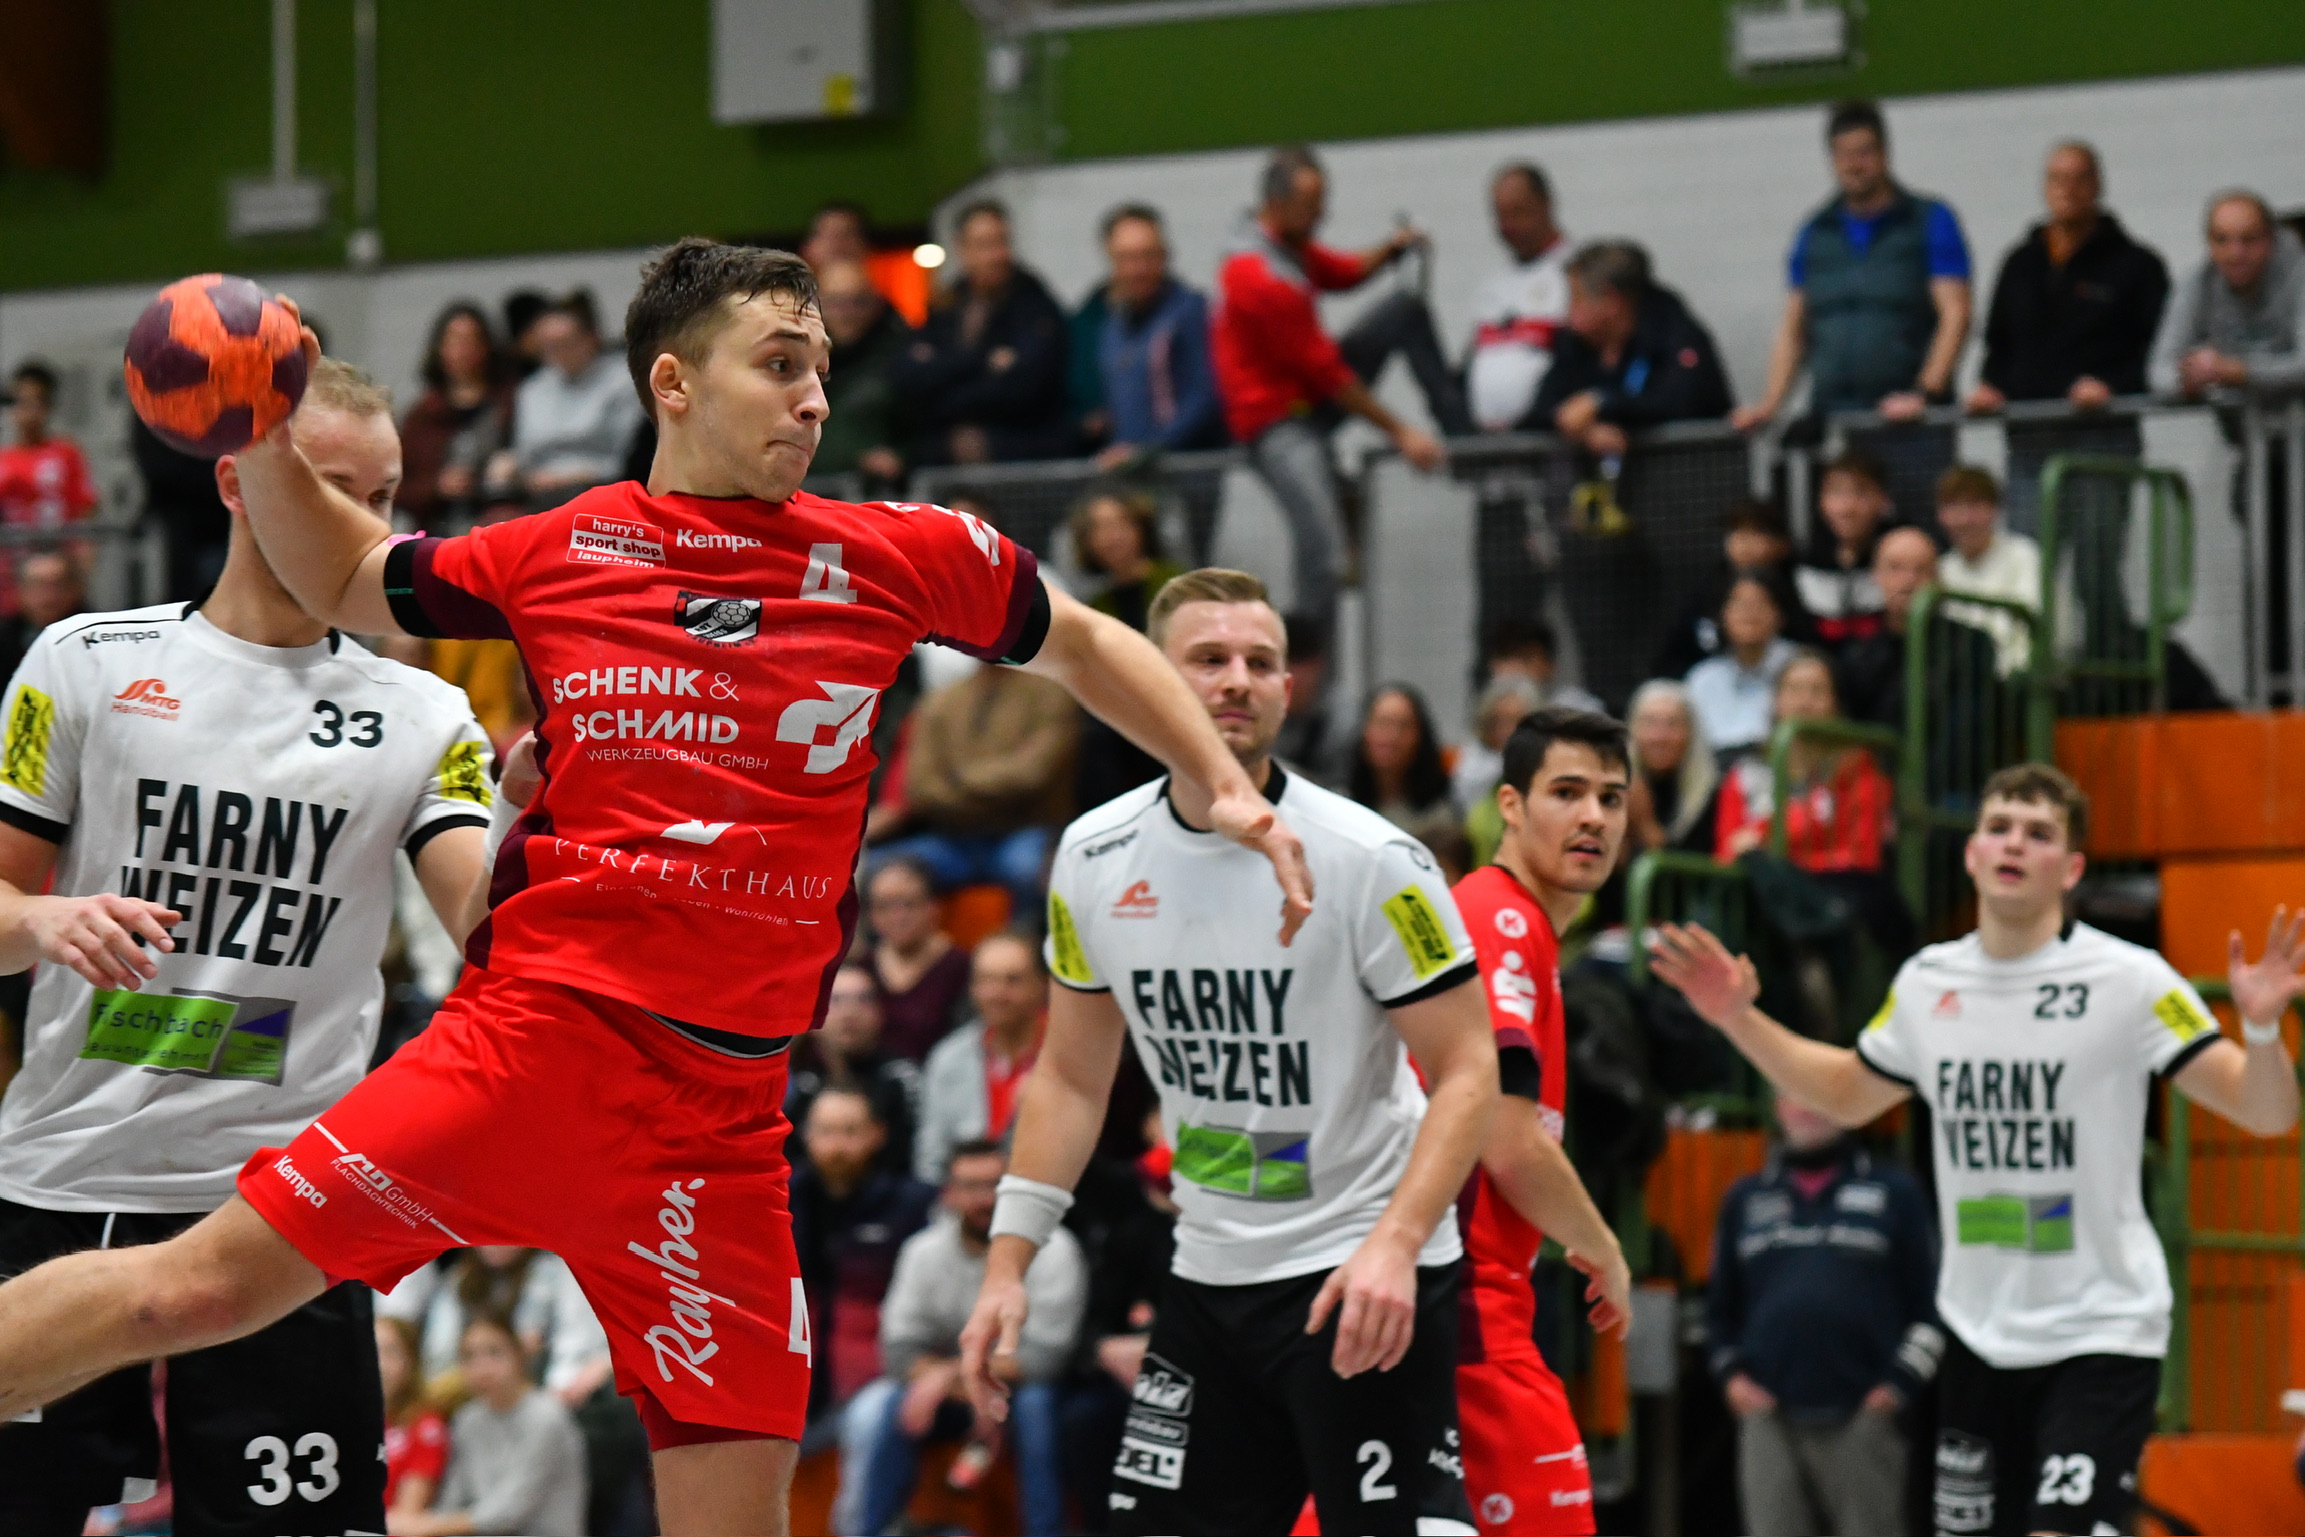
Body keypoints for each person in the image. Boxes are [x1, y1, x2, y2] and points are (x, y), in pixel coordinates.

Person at [0, 240, 1315, 1537]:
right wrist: (269, 427)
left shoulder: (899, 555)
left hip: (717, 1130)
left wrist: (1224, 781)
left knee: (735, 1508)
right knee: (191, 1295)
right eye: (781, 364)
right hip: (527, 1057)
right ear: (674, 383)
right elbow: (348, 572)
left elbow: (1082, 640)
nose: (812, 397)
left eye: (822, 369)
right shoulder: (567, 548)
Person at [0, 360, 495, 1536]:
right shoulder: (84, 661)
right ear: (237, 480)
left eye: (382, 499)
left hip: (285, 1215)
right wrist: (41, 919)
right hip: (67, 1180)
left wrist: (556, 826)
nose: (361, 528)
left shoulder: (424, 713)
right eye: (329, 489)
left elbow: (489, 927)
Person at [959, 567, 1499, 1535]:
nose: (1237, 680)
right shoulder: (1090, 857)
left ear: (1291, 688)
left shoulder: (1372, 860)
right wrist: (1008, 1265)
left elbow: (1469, 1073)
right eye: (1206, 660)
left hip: (1358, 1268)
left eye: (1261, 662)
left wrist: (1396, 1245)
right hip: (1208, 1274)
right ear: (1149, 680)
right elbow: (1072, 1080)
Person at [1650, 763, 2303, 1537]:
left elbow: (2263, 1112)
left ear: (2071, 867)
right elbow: (1844, 1091)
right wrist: (1735, 1017)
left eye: (2037, 833)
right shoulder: (1929, 982)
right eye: (1997, 827)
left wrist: (2260, 1030)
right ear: (1970, 854)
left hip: (2099, 1327)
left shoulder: (2128, 980)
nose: (2012, 844)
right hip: (1977, 1332)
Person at [1450, 708, 1638, 1534]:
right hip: (1463, 1311)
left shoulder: (1508, 920)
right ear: (1510, 806)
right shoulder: (1500, 919)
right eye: (1567, 791)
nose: (1594, 815)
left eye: (1612, 797)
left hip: (1453, 1306)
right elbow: (1506, 1135)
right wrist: (1600, 1244)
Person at [1212, 144, 1459, 632]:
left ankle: (1461, 424)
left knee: (1405, 311)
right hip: (1278, 423)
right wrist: (1401, 432)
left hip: (1308, 398)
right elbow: (1329, 373)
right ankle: (1304, 669)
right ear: (1279, 202)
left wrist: (1393, 249)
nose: (1323, 215)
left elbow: (1339, 272)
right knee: (1323, 550)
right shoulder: (1259, 276)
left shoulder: (1286, 244)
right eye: (1313, 204)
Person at [1707, 1092, 1940, 1537]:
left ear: (1849, 1108)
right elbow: (1719, 1313)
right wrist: (1733, 1382)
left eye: (1819, 1094)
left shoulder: (1897, 1193)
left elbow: (1932, 1309)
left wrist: (1897, 1387)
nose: (1807, 1108)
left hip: (1864, 1415)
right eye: (1794, 1095)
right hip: (1769, 1415)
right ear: (1776, 1107)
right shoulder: (1745, 1198)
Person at [1736, 99, 1972, 524]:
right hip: (1838, 424)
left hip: (1908, 427)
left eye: (1864, 152)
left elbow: (1955, 313)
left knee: (1915, 537)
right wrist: (1771, 403)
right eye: (1843, 154)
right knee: (1844, 546)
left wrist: (1926, 393)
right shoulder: (1815, 231)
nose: (1854, 165)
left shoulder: (1928, 219)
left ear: (1884, 153)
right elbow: (1793, 327)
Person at [857, 1139, 1085, 1537]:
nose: (985, 1199)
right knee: (884, 1404)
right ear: (948, 1192)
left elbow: (1048, 1358)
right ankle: (872, 1530)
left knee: (1037, 1406)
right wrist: (957, 1382)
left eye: (995, 1185)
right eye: (970, 1186)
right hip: (951, 1391)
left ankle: (1046, 1531)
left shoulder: (1056, 1249)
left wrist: (951, 1376)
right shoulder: (922, 1251)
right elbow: (898, 1348)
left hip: (1021, 1390)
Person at [1966, 142, 2169, 537]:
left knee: (2095, 576)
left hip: (2102, 441)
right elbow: (1999, 343)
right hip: (2029, 444)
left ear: (2097, 185)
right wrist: (1993, 387)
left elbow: (2157, 352)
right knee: (2030, 566)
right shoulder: (2020, 264)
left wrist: (2114, 387)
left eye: (2079, 179)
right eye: (2058, 179)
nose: (2068, 189)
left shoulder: (2136, 266)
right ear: (2044, 187)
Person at [2150, 191, 2305, 694]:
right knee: (2268, 580)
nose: (2235, 253)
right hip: (2260, 460)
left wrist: (2238, 371)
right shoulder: (2201, 283)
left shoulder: (2298, 272)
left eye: (2248, 240)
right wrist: (2192, 378)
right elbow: (2159, 372)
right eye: (2222, 240)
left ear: (2272, 239)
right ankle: (2276, 694)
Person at [879, 658, 1080, 920]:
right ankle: (902, 960)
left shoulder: (1050, 692)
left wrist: (958, 781)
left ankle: (1021, 954)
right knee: (882, 869)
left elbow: (1033, 774)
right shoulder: (942, 700)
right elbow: (920, 786)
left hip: (1026, 827)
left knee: (1025, 870)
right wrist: (990, 785)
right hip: (954, 836)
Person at [789, 1086, 936, 1441]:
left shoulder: (913, 1205)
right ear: (806, 1135)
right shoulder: (781, 1198)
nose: (837, 1146)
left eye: (850, 1132)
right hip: (790, 1369)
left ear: (878, 1134)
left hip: (879, 1373)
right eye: (825, 1131)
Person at [891, 200, 1074, 465]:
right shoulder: (948, 304)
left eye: (1001, 242)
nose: (996, 255)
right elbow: (908, 378)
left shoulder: (1034, 304)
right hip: (945, 460)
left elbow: (1025, 388)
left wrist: (942, 389)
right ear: (962, 248)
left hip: (1021, 458)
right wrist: (981, 362)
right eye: (984, 245)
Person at [395, 1311, 589, 1537]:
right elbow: (453, 1499)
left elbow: (510, 1510)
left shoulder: (547, 1417)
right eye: (469, 1357)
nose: (482, 1367)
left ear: (519, 1356)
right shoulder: (468, 1419)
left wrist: (425, 1526)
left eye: (494, 1353)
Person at [1527, 240, 1733, 450]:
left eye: (1576, 298)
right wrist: (1581, 430)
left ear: (1611, 300)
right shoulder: (1575, 343)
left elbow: (1684, 400)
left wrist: (1604, 403)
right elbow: (1540, 409)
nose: (1568, 313)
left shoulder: (1675, 333)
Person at [1715, 649, 1890, 873]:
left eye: (1817, 691)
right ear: (1776, 701)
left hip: (1830, 892)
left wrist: (1764, 836)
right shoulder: (1746, 774)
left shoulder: (1857, 766)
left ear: (1834, 703)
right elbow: (1728, 853)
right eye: (1794, 690)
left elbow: (1861, 854)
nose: (1805, 702)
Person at [1092, 205, 1225, 469]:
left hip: (1184, 470)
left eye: (1148, 256)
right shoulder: (1112, 328)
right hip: (1132, 478)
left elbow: (1205, 394)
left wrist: (1153, 448)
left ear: (1164, 256)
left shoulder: (1189, 313)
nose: (1139, 269)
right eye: (1127, 258)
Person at [1834, 524, 2000, 735]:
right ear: (1876, 575)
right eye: (1896, 568)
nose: (1909, 581)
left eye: (1921, 570)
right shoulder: (1856, 658)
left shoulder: (1972, 645)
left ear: (1938, 580)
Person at [916, 932, 1050, 1183]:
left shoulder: (1066, 1057)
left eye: (1013, 980)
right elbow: (931, 1160)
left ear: (1042, 985)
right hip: (964, 1206)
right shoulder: (948, 1059)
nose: (997, 993)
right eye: (986, 980)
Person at [495, 289, 644, 510]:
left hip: (602, 489)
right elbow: (525, 451)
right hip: (539, 491)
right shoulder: (532, 388)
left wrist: (570, 477)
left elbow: (628, 454)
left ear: (590, 339)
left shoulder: (623, 382)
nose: (559, 353)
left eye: (566, 342)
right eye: (550, 346)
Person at [785, 960, 921, 1174]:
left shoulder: (902, 1080)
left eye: (863, 1000)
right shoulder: (799, 1082)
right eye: (835, 1001)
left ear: (880, 1013)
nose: (850, 1013)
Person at [1464, 163, 1572, 434]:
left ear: (1546, 205)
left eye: (1517, 213)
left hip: (1548, 441)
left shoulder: (1575, 274)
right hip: (1491, 444)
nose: (1507, 226)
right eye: (1500, 215)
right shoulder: (1492, 287)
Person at [397, 303, 515, 532]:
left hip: (499, 523)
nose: (463, 350)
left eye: (471, 340)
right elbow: (398, 488)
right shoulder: (421, 416)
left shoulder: (510, 404)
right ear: (439, 348)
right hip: (437, 530)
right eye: (455, 340)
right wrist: (437, 487)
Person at [814, 257, 912, 492]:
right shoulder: (798, 361)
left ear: (874, 304)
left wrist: (900, 457)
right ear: (817, 305)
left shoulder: (900, 356)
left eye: (857, 302)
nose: (846, 313)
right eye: (835, 302)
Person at [1935, 465, 2044, 678]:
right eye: (1954, 506)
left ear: (1995, 510)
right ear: (1940, 515)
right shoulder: (1940, 569)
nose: (1965, 519)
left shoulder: (2025, 556)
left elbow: (2032, 635)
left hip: (2014, 685)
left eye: (1975, 505)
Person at [865, 857, 977, 1063]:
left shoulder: (961, 967)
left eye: (908, 904)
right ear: (871, 914)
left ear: (933, 907)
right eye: (884, 906)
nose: (897, 916)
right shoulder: (860, 967)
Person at [1684, 571, 1799, 755]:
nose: (1749, 613)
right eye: (1739, 603)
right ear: (1722, 615)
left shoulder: (1801, 668)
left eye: (1760, 603)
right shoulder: (1703, 678)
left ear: (1780, 614)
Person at [1349, 683, 1462, 865]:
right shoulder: (1342, 805)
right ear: (1364, 731)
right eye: (1382, 723)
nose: (1392, 736)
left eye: (1403, 726)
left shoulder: (1440, 816)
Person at [1796, 450, 1895, 650]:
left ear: (1883, 500)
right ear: (1821, 502)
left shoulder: (1901, 556)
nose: (1846, 508)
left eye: (1861, 493)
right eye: (1836, 493)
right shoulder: (1806, 564)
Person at [0, 361, 98, 559]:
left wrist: (83, 560)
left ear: (48, 406)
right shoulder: (4, 460)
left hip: (59, 562)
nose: (28, 412)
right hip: (13, 567)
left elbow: (85, 508)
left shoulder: (66, 453)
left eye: (36, 402)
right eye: (21, 402)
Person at [1625, 678, 1719, 853]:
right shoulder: (1619, 782)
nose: (1660, 737)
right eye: (1650, 723)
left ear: (1691, 733)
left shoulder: (1710, 793)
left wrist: (1645, 824)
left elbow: (1693, 870)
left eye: (1673, 724)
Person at [379, 1314, 450, 1525]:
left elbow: (408, 1516)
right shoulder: (347, 1418)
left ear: (410, 1362)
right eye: (370, 1349)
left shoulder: (425, 1425)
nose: (379, 1363)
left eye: (390, 1352)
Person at [0, 546, 86, 682]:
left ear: (76, 587)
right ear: (21, 589)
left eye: (58, 584)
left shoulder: (96, 634)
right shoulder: (5, 639)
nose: (48, 595)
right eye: (38, 584)